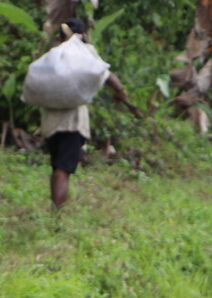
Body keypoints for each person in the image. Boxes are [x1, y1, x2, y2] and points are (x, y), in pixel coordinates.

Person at [41, 17, 129, 209]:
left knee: (57, 166)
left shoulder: (53, 53)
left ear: (60, 36)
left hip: (50, 121)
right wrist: (120, 92)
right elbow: (105, 74)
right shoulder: (84, 52)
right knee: (63, 169)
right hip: (72, 121)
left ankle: (55, 208)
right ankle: (57, 212)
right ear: (83, 36)